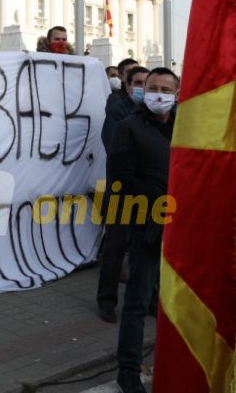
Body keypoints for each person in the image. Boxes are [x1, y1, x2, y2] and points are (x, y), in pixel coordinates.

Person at [110, 67, 178, 393]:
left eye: (167, 88)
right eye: (154, 87)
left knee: (175, 301)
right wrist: (161, 203)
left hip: (180, 230)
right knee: (138, 301)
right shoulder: (128, 128)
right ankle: (128, 370)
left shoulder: (183, 129)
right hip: (146, 227)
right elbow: (120, 181)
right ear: (142, 89)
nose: (159, 94)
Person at [95, 65, 150, 324]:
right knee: (116, 249)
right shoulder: (118, 111)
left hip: (150, 193)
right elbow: (114, 150)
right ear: (127, 86)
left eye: (145, 83)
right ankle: (106, 302)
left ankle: (148, 299)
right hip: (122, 192)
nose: (142, 88)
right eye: (137, 83)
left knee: (146, 248)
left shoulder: (157, 114)